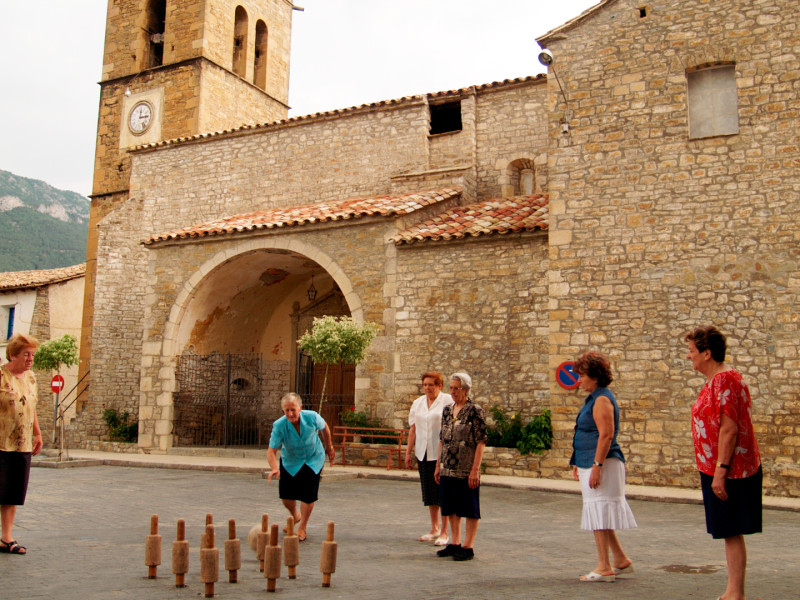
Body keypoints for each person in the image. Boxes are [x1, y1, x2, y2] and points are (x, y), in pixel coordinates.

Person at [686, 326, 761, 600]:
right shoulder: (717, 380)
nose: (688, 356)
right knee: (729, 531)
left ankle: (735, 593)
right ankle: (734, 592)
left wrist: (721, 471)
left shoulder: (724, 379)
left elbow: (729, 429)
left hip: (731, 469)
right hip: (720, 467)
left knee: (731, 530)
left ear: (707, 353)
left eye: (692, 351)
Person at [570, 351, 636, 582]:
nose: (579, 380)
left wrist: (596, 466)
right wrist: (579, 462)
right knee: (600, 511)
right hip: (591, 461)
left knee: (598, 511)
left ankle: (603, 566)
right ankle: (619, 559)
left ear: (595, 377)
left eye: (582, 376)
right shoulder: (595, 397)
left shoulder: (601, 400)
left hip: (603, 463)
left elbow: (606, 435)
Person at [267, 392, 335, 542]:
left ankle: (302, 526)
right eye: (287, 410)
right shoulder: (279, 425)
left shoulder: (311, 417)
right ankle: (295, 515)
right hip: (290, 461)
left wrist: (329, 447)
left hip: (313, 459)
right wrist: (274, 468)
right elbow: (271, 451)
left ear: (300, 408)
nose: (290, 414)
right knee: (285, 496)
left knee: (307, 494)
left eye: (293, 409)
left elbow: (325, 428)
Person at [434, 372, 487, 561]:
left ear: (466, 389)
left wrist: (475, 470)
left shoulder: (475, 410)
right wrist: (438, 465)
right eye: (451, 388)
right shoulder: (447, 410)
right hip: (448, 466)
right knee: (451, 506)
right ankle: (454, 542)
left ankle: (468, 545)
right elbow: (442, 438)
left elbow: (481, 441)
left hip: (466, 468)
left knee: (469, 506)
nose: (453, 391)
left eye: (457, 388)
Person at [1, 333, 43, 555]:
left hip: (21, 443)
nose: (30, 359)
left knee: (12, 492)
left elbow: (31, 406)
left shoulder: (31, 378)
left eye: (32, 355)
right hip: (0, 442)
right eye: (26, 354)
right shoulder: (1, 375)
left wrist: (37, 433)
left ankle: (6, 539)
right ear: (12, 354)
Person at [405, 371, 454, 546]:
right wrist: (408, 452)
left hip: (441, 453)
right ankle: (434, 528)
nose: (427, 388)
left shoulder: (447, 401)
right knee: (429, 492)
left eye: (431, 385)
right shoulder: (418, 403)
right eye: (425, 385)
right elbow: (413, 429)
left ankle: (445, 532)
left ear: (439, 386)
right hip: (423, 452)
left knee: (442, 493)